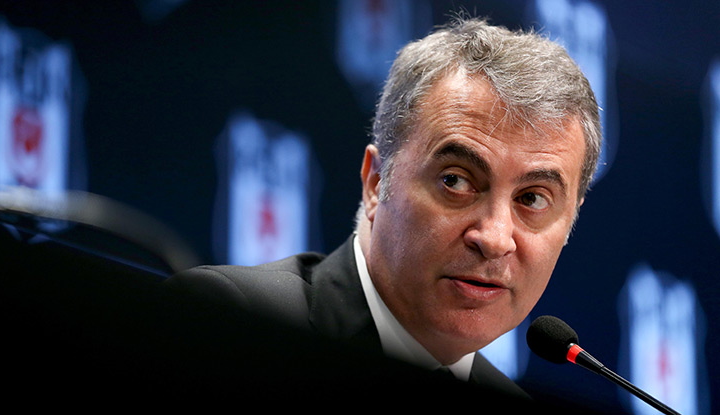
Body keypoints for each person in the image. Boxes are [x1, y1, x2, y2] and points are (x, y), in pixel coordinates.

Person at [167, 16, 601, 401]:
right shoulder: (232, 323)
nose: (493, 238)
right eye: (456, 181)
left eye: (531, 199)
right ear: (376, 183)